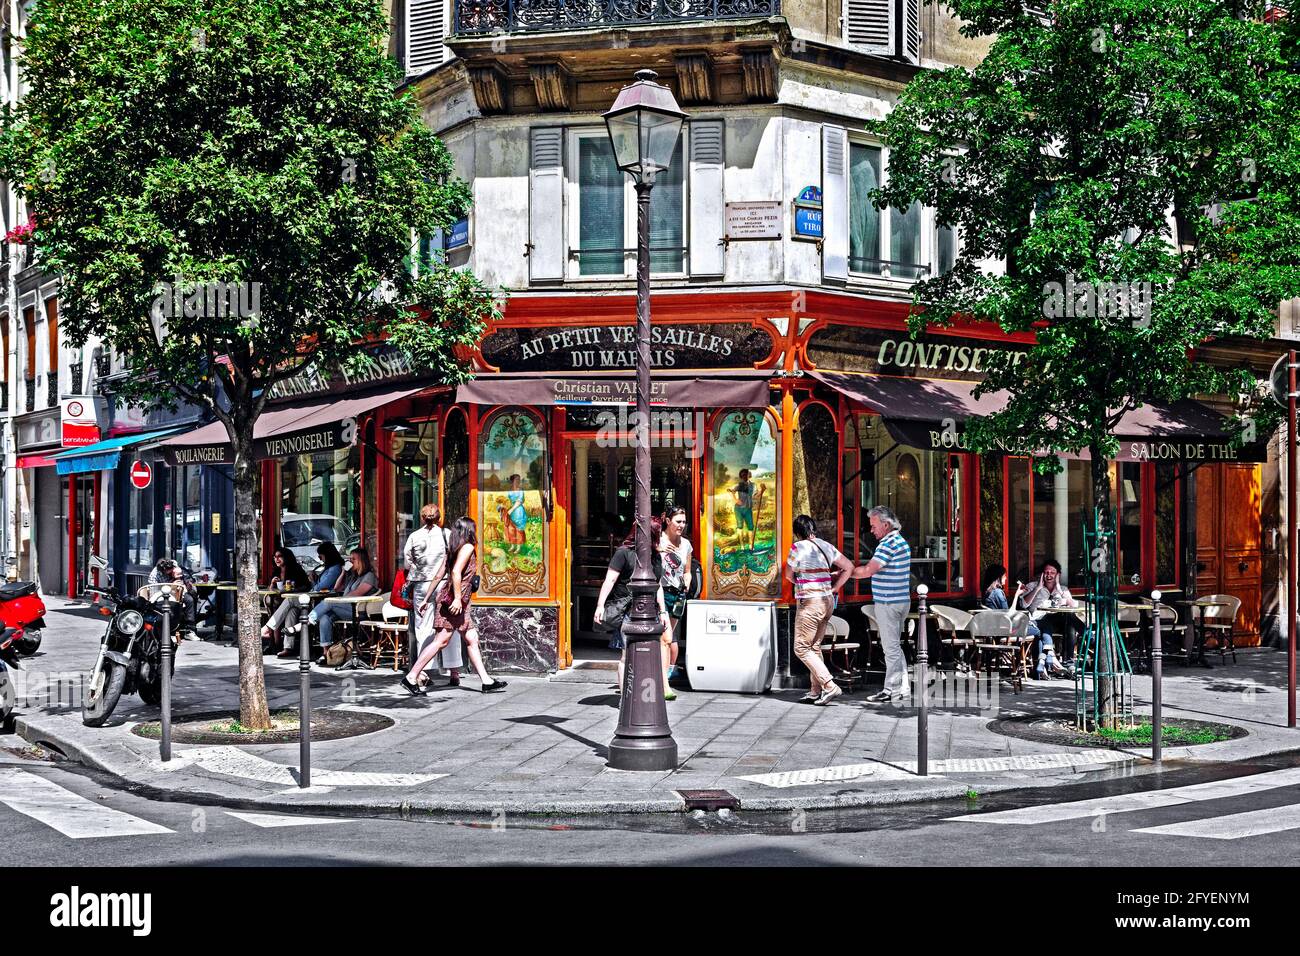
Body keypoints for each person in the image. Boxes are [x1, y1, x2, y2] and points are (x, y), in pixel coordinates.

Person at [399, 517, 507, 695]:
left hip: (457, 602)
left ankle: (486, 681)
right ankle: (411, 676)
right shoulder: (467, 547)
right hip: (454, 603)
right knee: (441, 641)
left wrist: (427, 598)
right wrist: (457, 599)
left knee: (471, 638)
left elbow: (439, 574)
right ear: (469, 530)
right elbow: (455, 572)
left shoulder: (452, 549)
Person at [593, 518, 675, 700]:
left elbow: (657, 584)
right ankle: (625, 697)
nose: (661, 537)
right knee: (625, 654)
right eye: (658, 534)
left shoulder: (654, 555)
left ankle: (649, 692)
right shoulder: (623, 553)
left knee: (652, 650)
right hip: (627, 611)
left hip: (650, 610)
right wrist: (600, 605)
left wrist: (663, 611)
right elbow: (610, 580)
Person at [785, 515, 854, 705]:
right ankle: (815, 691)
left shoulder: (797, 547)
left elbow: (789, 575)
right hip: (827, 601)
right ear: (813, 528)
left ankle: (829, 685)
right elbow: (848, 567)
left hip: (810, 601)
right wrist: (834, 586)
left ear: (797, 532)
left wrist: (802, 580)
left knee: (801, 647)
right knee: (814, 646)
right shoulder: (827, 546)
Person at [852, 505, 913, 702]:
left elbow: (869, 570)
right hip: (900, 601)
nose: (871, 530)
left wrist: (846, 572)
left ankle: (890, 690)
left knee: (890, 648)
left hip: (889, 602)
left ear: (886, 525)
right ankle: (903, 687)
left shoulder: (888, 544)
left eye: (873, 526)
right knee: (895, 646)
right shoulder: (900, 541)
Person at [403, 503, 463, 688]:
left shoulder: (414, 536)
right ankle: (454, 671)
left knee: (424, 627)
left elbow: (407, 563)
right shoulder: (447, 535)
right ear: (439, 518)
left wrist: (419, 569)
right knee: (449, 626)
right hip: (444, 583)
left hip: (422, 585)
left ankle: (422, 671)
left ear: (422, 518)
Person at [982, 564, 1062, 679]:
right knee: (1042, 627)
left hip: (997, 630)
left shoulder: (987, 592)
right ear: (998, 577)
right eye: (1004, 576)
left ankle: (1041, 665)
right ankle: (1046, 658)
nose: (1005, 578)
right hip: (1009, 630)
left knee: (1041, 630)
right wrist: (1016, 596)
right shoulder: (998, 592)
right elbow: (1009, 614)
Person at [309, 547, 378, 664]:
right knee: (325, 617)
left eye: (353, 559)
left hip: (358, 612)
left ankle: (308, 620)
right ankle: (326, 653)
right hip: (344, 609)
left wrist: (338, 600)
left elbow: (357, 593)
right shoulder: (353, 576)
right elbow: (336, 588)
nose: (350, 562)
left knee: (329, 601)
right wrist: (342, 573)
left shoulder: (369, 576)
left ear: (361, 561)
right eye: (349, 559)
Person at [1019, 558, 1077, 665]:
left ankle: (1068, 661)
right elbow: (1023, 604)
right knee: (1060, 622)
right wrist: (1038, 588)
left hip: (1056, 622)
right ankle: (1087, 634)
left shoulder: (1062, 589)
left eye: (1052, 573)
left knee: (1070, 621)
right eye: (1046, 572)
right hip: (1038, 622)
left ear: (1058, 575)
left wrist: (1059, 589)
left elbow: (1073, 605)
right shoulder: (1032, 586)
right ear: (1042, 574)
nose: (1049, 575)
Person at [658, 507, 693, 683]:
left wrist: (687, 581)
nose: (681, 525)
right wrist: (659, 549)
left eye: (684, 522)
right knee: (665, 636)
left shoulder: (686, 544)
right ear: (668, 521)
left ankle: (668, 672)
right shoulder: (658, 540)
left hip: (678, 594)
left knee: (670, 635)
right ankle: (662, 678)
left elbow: (687, 571)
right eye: (678, 521)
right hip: (661, 592)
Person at [262, 547, 312, 656]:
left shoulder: (296, 569)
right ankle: (287, 648)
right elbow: (271, 591)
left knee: (289, 599)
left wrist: (294, 589)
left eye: (279, 556)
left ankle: (268, 627)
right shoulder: (276, 571)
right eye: (275, 557)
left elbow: (307, 586)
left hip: (301, 601)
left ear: (286, 557)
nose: (277, 559)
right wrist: (272, 583)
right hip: (286, 605)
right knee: (291, 613)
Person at [147, 558, 195, 628]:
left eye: (172, 571)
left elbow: (182, 574)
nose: (170, 573)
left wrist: (183, 579)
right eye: (169, 572)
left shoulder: (173, 564)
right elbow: (154, 591)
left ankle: (190, 628)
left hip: (177, 591)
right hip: (162, 594)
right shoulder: (154, 575)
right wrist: (171, 584)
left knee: (190, 599)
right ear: (163, 570)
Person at [731, 469, 766, 552]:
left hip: (748, 509)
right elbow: (732, 492)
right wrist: (736, 500)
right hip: (738, 509)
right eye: (744, 475)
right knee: (740, 527)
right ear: (742, 476)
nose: (745, 476)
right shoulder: (739, 485)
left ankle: (751, 545)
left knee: (750, 527)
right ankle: (742, 546)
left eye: (746, 474)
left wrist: (762, 491)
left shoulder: (753, 485)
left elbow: (755, 496)